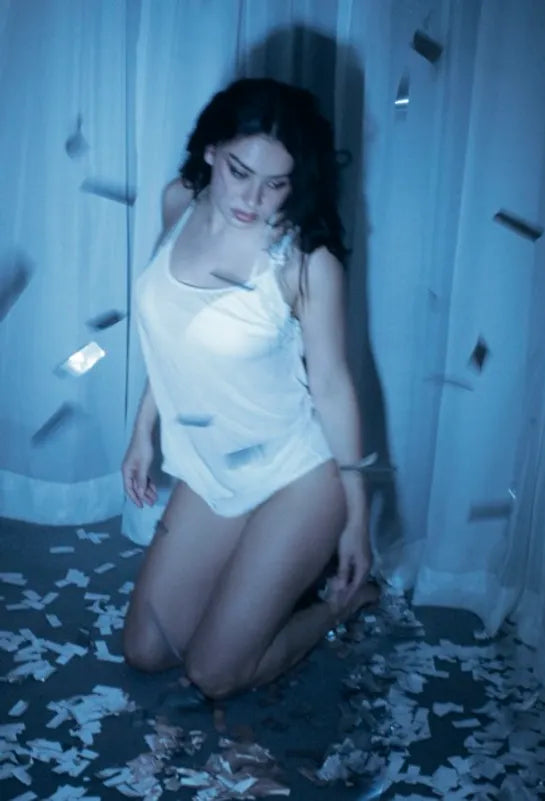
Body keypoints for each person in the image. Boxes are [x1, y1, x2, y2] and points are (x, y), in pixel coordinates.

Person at [121, 77, 378, 700]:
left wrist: (357, 518)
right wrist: (142, 430)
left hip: (299, 474)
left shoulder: (305, 260)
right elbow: (175, 337)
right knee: (147, 650)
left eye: (276, 184)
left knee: (213, 675)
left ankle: (340, 605)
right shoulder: (178, 203)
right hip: (216, 470)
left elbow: (334, 387)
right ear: (211, 150)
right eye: (240, 172)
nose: (253, 198)